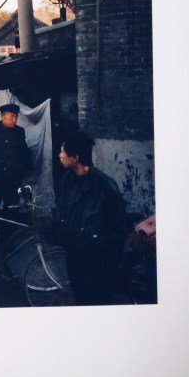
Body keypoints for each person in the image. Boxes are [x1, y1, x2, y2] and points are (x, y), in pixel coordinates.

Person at [55, 130, 129, 305]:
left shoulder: (106, 187)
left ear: (75, 157)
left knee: (98, 303)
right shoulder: (66, 181)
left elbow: (118, 232)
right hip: (75, 258)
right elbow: (62, 210)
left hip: (98, 263)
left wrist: (92, 241)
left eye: (63, 151)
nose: (59, 155)